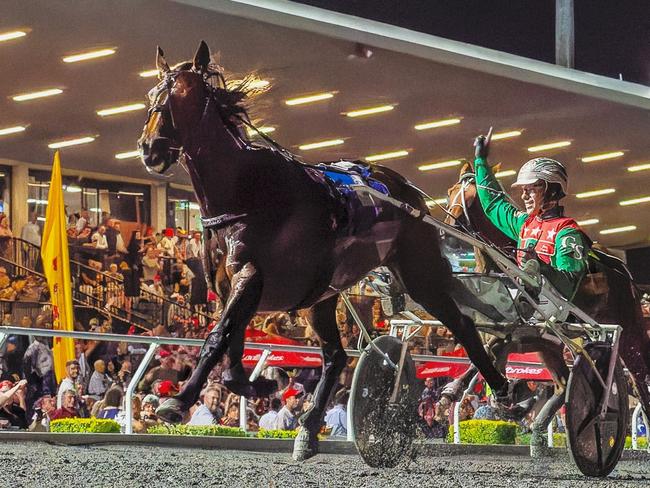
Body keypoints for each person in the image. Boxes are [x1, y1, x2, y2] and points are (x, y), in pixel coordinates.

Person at [473, 129, 589, 299]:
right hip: (528, 307)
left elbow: (568, 285)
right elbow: (494, 203)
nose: (524, 196)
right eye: (523, 190)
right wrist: (480, 161)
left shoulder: (567, 232)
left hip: (557, 315)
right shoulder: (524, 224)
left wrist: (539, 265)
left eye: (531, 189)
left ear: (551, 190)